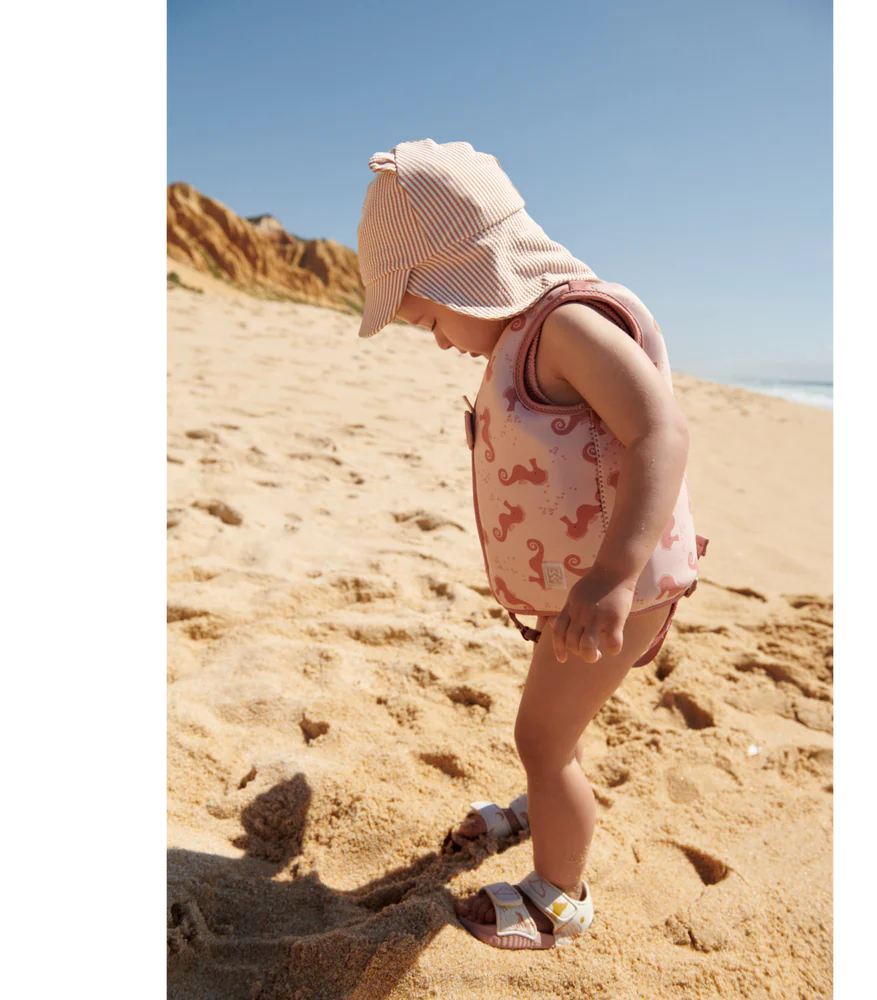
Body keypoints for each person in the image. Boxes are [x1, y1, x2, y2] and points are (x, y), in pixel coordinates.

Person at [356, 139, 698, 950]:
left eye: (430, 315)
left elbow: (660, 432)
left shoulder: (567, 327)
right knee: (554, 724)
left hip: (624, 583)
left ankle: (560, 896)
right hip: (587, 583)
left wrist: (612, 577)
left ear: (467, 276)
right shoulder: (523, 335)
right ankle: (536, 806)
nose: (437, 339)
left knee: (539, 738)